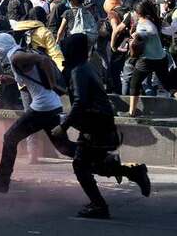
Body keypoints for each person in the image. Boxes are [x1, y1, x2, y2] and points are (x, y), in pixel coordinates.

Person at [52, 33, 151, 219]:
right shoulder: (85, 67)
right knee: (93, 164)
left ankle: (100, 205)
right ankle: (134, 172)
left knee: (80, 165)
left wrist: (63, 127)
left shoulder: (78, 71)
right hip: (98, 122)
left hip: (94, 125)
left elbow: (80, 102)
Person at [0, 33, 76, 193]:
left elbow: (44, 60)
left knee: (10, 137)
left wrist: (51, 84)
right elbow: (31, 78)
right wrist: (11, 80)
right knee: (64, 147)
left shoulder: (16, 57)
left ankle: (2, 181)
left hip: (42, 107)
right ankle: (106, 159)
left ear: (3, 47)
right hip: (50, 106)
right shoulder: (16, 54)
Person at [127, 0, 173, 116]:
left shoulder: (143, 22)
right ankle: (132, 111)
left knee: (134, 83)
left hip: (147, 60)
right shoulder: (154, 20)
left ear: (138, 12)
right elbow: (164, 31)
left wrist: (138, 35)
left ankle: (132, 112)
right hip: (161, 58)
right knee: (168, 84)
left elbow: (150, 31)